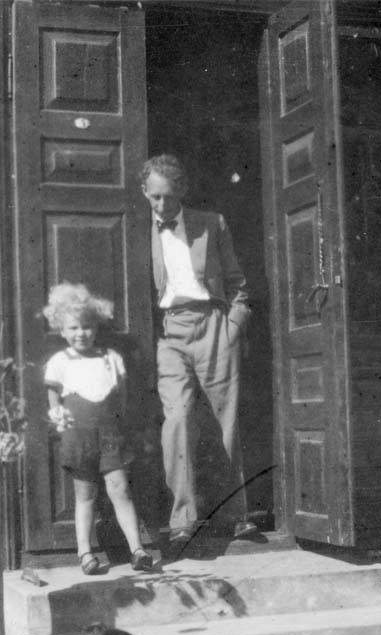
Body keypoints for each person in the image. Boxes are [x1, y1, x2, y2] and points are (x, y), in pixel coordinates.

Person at [142, 154, 259, 555]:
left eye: (169, 197)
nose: (162, 205)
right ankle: (182, 520)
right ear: (144, 192)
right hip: (168, 333)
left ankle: (235, 515)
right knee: (177, 420)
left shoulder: (212, 223)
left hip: (213, 326)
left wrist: (233, 326)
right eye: (155, 197)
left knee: (226, 419)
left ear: (183, 192)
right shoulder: (136, 228)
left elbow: (238, 283)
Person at [43, 283, 154, 575]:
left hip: (110, 436)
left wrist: (120, 425)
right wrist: (58, 415)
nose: (81, 333)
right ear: (62, 330)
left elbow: (123, 397)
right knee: (85, 495)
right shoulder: (59, 362)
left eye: (87, 327)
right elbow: (54, 400)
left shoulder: (111, 358)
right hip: (79, 437)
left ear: (96, 328)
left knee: (120, 489)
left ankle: (138, 549)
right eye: (73, 328)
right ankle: (85, 552)